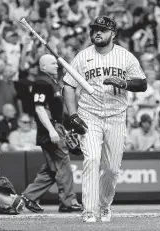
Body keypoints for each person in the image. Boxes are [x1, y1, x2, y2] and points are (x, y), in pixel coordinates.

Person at [63, 16, 147, 222]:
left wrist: (125, 83)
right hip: (89, 114)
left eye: (102, 30)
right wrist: (73, 115)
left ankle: (104, 205)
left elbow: (142, 84)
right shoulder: (82, 57)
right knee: (91, 159)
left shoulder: (125, 57)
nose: (97, 33)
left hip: (116, 116)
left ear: (113, 34)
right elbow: (68, 86)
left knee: (111, 169)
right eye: (94, 30)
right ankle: (89, 211)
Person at [21, 54, 82, 213]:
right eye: (53, 63)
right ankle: (68, 202)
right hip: (50, 128)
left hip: (57, 126)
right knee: (64, 164)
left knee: (52, 168)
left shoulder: (52, 82)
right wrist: (52, 130)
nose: (57, 65)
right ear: (43, 67)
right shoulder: (41, 82)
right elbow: (39, 108)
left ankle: (29, 196)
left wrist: (64, 128)